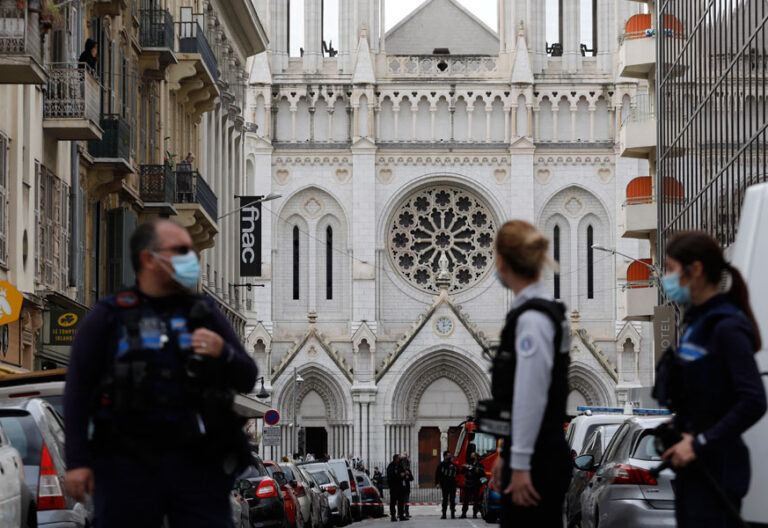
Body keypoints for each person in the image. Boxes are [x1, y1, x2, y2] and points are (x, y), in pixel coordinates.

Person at [63, 219, 258, 528]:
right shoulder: (109, 316)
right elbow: (77, 390)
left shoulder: (204, 314)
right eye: (180, 250)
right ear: (149, 259)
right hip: (127, 464)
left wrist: (224, 351)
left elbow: (247, 377)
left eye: (190, 250)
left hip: (196, 463)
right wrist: (77, 462)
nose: (190, 258)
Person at [654, 231, 767, 528]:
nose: (666, 277)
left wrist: (700, 442)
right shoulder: (696, 323)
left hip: (718, 473)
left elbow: (754, 400)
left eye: (670, 268)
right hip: (695, 473)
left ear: (696, 269)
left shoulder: (726, 326)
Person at [489, 220, 572, 527]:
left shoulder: (532, 320)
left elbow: (530, 396)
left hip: (538, 460)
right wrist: (507, 454)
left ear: (502, 261)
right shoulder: (540, 312)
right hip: (537, 454)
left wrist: (521, 464)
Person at [460, 452, 484, 519]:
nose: (471, 457)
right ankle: (463, 513)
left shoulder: (479, 464)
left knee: (476, 500)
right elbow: (462, 472)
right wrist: (465, 467)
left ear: (476, 457)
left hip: (476, 484)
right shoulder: (468, 463)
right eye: (471, 456)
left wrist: (477, 470)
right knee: (466, 499)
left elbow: (482, 473)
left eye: (472, 456)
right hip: (468, 484)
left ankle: (474, 514)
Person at [435, 451, 458, 519]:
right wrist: (437, 483)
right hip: (444, 484)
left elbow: (458, 471)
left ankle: (452, 514)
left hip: (452, 484)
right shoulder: (441, 465)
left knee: (452, 499)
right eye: (448, 455)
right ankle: (444, 514)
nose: (449, 457)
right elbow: (437, 475)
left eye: (450, 455)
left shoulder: (453, 464)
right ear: (445, 456)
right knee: (445, 499)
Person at [387, 454, 406, 521]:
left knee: (401, 502)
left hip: (400, 487)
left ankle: (401, 515)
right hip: (394, 487)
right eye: (399, 458)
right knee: (393, 502)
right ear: (396, 459)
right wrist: (399, 475)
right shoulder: (391, 466)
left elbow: (403, 473)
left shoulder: (400, 465)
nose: (400, 459)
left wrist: (404, 474)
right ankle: (393, 516)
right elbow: (391, 476)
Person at [399, 451, 413, 519]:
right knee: (400, 501)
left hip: (406, 488)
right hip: (400, 488)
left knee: (406, 501)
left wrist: (408, 476)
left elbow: (412, 478)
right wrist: (402, 475)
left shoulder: (408, 470)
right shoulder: (399, 469)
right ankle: (400, 513)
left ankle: (407, 513)